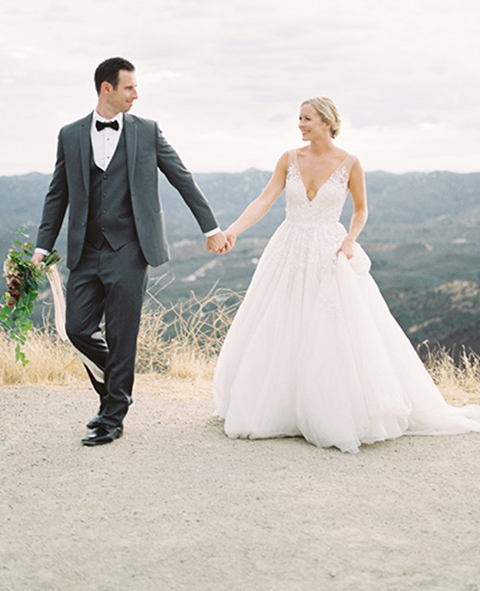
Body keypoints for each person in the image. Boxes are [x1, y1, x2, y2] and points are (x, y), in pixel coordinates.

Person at [213, 97, 480, 453]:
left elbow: (361, 210)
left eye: (306, 118)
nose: (300, 125)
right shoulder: (288, 159)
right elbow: (264, 200)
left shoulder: (350, 163)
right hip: (289, 247)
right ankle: (281, 405)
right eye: (299, 119)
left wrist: (350, 239)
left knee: (330, 328)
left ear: (326, 121)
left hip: (330, 248)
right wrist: (233, 230)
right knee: (283, 321)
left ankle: (329, 407)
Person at [33, 57, 228, 446]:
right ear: (107, 88)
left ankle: (111, 416)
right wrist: (42, 246)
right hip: (85, 250)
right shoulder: (70, 135)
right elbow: (58, 194)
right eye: (129, 88)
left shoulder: (148, 132)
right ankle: (117, 388)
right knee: (76, 328)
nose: (136, 94)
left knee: (123, 335)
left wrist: (211, 227)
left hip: (131, 249)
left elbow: (181, 177)